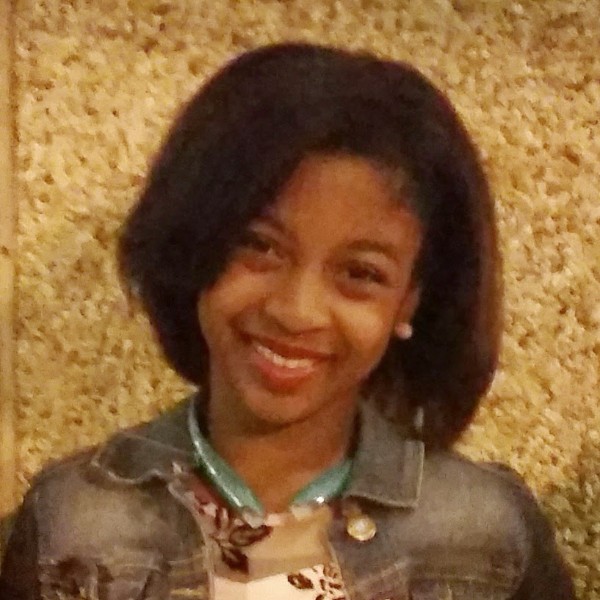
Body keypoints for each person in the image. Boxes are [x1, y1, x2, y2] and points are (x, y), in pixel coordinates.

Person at [0, 43, 575, 600]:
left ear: (410, 301)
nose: (296, 311)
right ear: (195, 241)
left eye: (361, 273)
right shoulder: (75, 525)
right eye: (261, 246)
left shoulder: (484, 536)